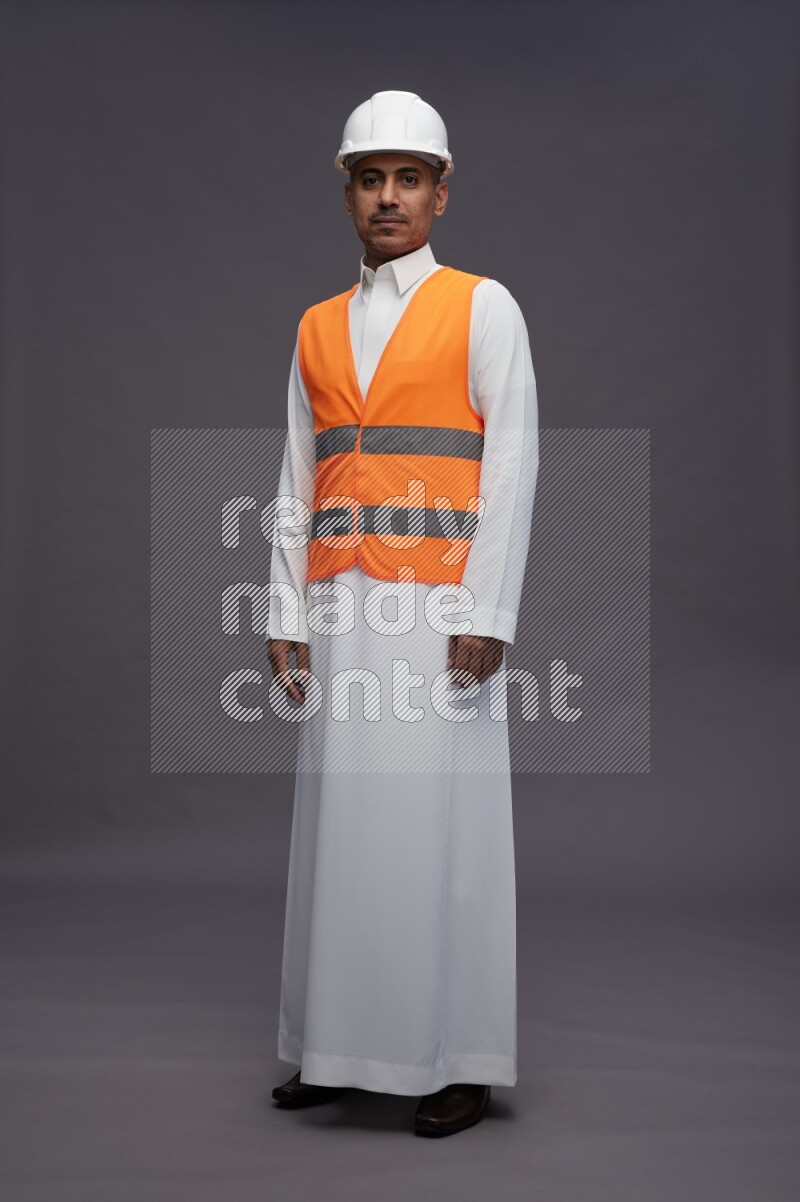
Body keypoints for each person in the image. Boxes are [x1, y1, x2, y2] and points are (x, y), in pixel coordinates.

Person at [266, 90, 539, 1137]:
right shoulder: (315, 326)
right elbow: (297, 478)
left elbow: (511, 463)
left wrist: (492, 610)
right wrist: (284, 609)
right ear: (347, 192)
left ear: (438, 191)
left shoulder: (482, 306)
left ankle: (459, 1054)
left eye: (407, 178)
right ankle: (332, 1045)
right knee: (340, 827)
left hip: (439, 613)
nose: (388, 195)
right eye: (369, 178)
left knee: (445, 829)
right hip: (341, 606)